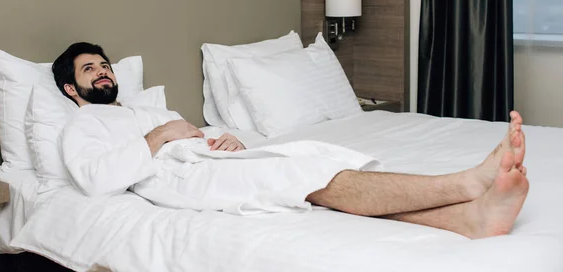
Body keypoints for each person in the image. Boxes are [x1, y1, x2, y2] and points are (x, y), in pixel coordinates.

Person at [53, 42, 529, 240]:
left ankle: (471, 220)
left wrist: (228, 139)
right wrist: (159, 137)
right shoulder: (82, 126)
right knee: (306, 174)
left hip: (211, 163)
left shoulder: (147, 110)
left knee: (317, 160)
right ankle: (466, 184)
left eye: (105, 64)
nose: (102, 72)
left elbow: (201, 132)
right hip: (180, 182)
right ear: (72, 89)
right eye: (89, 69)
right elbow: (96, 180)